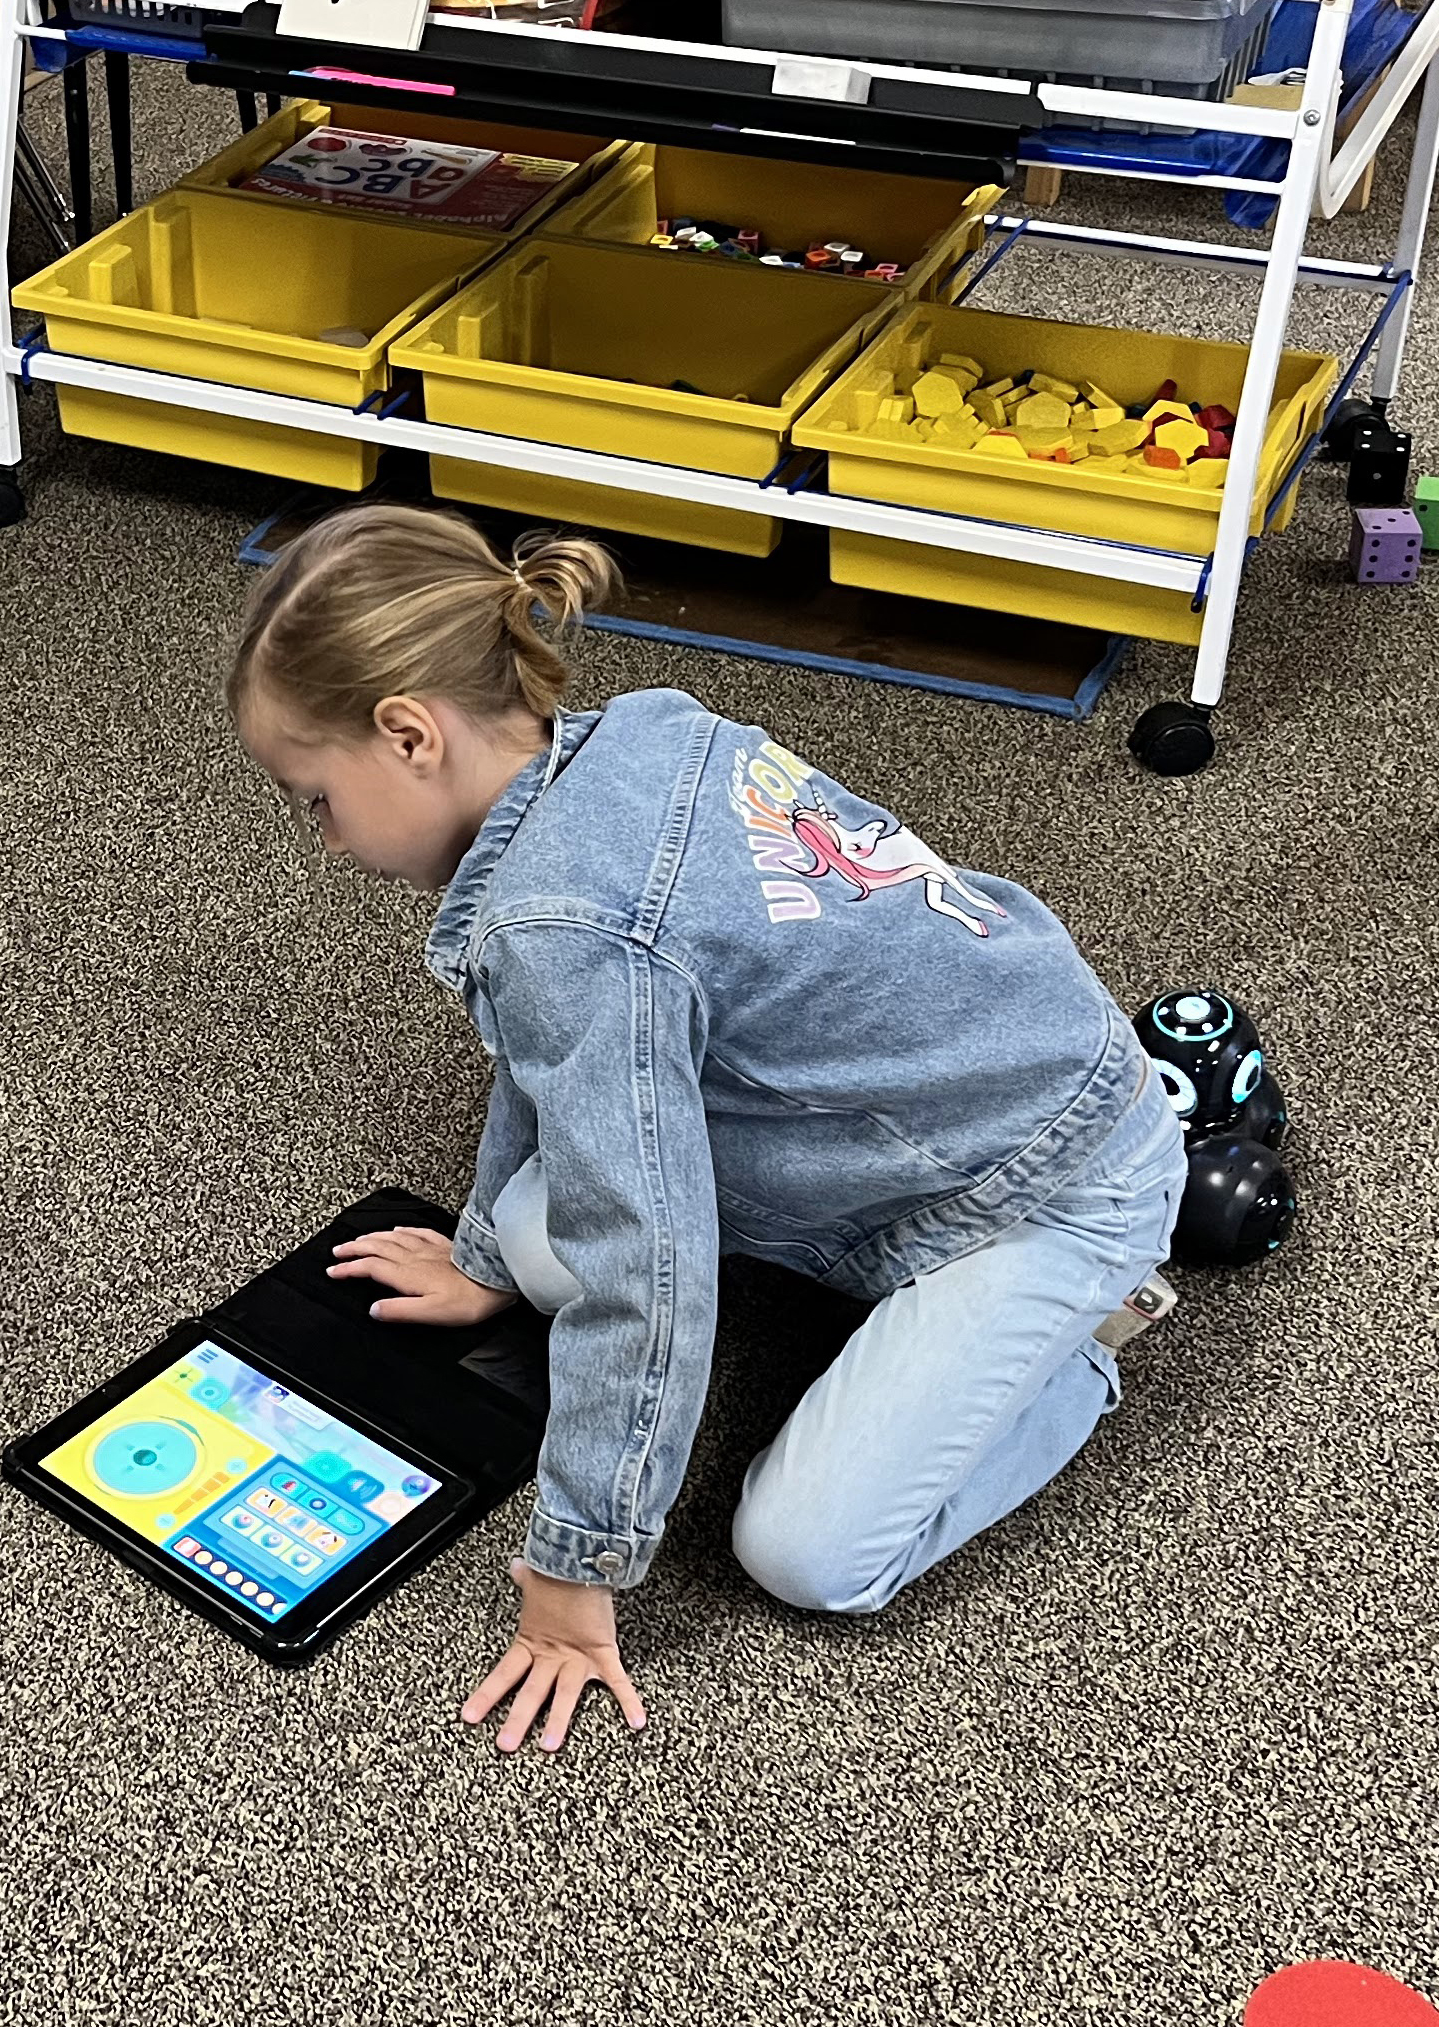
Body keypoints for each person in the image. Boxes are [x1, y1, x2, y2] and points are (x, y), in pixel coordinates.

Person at [229, 505, 1185, 1756]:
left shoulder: (566, 928)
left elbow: (643, 1259)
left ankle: (1077, 1347)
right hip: (896, 1139)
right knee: (530, 1236)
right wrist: (475, 1257)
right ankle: (925, 1309)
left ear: (408, 733)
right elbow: (551, 1052)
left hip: (1046, 1181)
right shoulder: (628, 739)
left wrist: (576, 1574)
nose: (323, 840)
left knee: (806, 1553)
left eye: (315, 800)